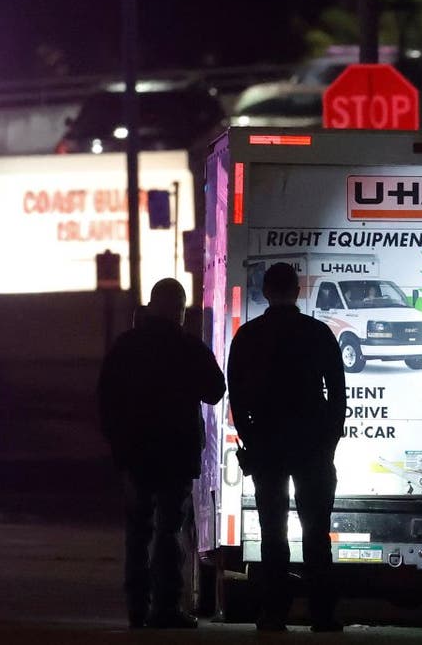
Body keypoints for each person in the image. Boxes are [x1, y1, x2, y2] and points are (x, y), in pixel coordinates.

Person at [97, 278, 226, 629]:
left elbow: (105, 400)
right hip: (176, 454)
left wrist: (118, 445)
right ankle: (166, 607)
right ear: (179, 310)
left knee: (138, 531)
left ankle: (137, 607)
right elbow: (215, 389)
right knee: (169, 530)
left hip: (136, 454)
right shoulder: (187, 347)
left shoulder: (125, 347)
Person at [226, 262, 347, 633]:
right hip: (311, 445)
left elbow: (237, 394)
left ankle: (274, 613)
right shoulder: (317, 333)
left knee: (272, 532)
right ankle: (322, 615)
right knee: (316, 530)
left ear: (265, 292)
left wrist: (250, 438)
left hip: (267, 446)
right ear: (297, 291)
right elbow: (338, 392)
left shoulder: (248, 336)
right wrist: (329, 438)